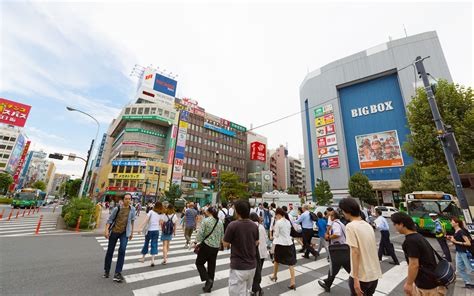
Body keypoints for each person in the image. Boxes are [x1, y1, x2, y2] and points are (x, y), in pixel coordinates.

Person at [391, 212, 448, 295]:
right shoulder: (418, 236)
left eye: (394, 224)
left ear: (401, 224)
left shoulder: (410, 241)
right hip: (432, 279)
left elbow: (414, 264)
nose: (394, 226)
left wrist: (409, 284)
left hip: (426, 284)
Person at [339, 197, 382, 296]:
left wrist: (355, 278)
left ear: (347, 211)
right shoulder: (368, 225)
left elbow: (355, 252)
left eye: (342, 211)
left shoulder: (351, 226)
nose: (343, 213)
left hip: (362, 276)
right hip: (374, 274)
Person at [222, 200, 259, 296]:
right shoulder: (254, 225)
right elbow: (257, 242)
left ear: (238, 211)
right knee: (246, 291)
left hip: (238, 267)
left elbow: (225, 244)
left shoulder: (233, 225)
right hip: (252, 266)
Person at [103, 194, 136, 283]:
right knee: (110, 251)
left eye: (129, 199)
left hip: (124, 233)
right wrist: (106, 230)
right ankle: (107, 270)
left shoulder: (132, 209)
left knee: (122, 250)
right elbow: (109, 220)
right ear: (123, 200)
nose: (128, 200)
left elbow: (132, 221)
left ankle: (117, 273)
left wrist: (131, 233)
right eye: (126, 199)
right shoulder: (117, 208)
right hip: (114, 231)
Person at [318, 211, 350, 292]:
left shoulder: (335, 224)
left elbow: (337, 234)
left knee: (334, 267)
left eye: (330, 216)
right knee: (343, 267)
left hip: (337, 249)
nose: (329, 218)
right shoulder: (340, 223)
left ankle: (328, 284)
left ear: (332, 217)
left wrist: (328, 237)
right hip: (343, 248)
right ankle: (327, 282)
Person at [194, 207, 224, 293]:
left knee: (199, 263)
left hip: (206, 245)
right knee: (212, 265)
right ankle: (209, 287)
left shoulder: (206, 221)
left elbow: (201, 233)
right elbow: (222, 235)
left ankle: (208, 279)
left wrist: (196, 241)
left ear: (209, 212)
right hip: (215, 247)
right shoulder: (220, 222)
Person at [268, 208, 297, 290]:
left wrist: (274, 229)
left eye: (276, 215)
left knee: (276, 260)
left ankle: (274, 275)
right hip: (289, 244)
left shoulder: (278, 223)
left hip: (280, 244)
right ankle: (292, 282)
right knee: (290, 264)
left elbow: (276, 235)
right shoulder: (288, 222)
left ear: (278, 214)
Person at [448, 217, 474, 289]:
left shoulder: (461, 231)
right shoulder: (456, 231)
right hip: (459, 252)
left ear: (456, 223)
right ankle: (468, 283)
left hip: (464, 253)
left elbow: (468, 243)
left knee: (470, 269)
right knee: (460, 269)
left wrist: (456, 242)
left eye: (452, 221)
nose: (451, 222)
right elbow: (457, 240)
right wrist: (453, 243)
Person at [137, 202, 163, 266]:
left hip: (149, 230)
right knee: (154, 244)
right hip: (156, 231)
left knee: (146, 243)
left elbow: (146, 220)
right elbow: (160, 223)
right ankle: (152, 260)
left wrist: (140, 227)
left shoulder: (151, 212)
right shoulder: (161, 214)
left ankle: (143, 258)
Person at [250, 212, 268, 296]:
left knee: (254, 272)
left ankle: (257, 289)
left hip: (254, 252)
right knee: (258, 271)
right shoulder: (261, 227)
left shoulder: (250, 227)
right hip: (262, 252)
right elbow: (265, 238)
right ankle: (257, 289)